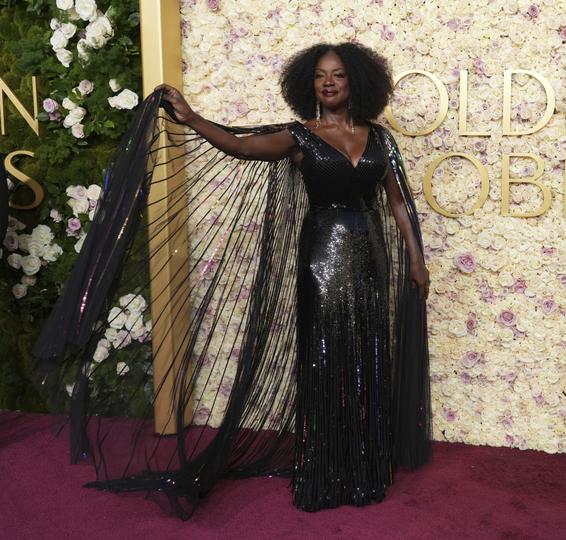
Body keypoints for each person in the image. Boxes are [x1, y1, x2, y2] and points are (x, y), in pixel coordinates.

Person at [32, 42, 432, 517]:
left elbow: (399, 204)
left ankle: (363, 465)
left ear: (357, 82)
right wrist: (193, 118)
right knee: (326, 358)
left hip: (370, 257)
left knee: (366, 354)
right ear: (309, 84)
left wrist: (415, 259)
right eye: (321, 76)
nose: (328, 83)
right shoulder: (298, 136)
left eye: (339, 75)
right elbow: (240, 146)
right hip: (321, 257)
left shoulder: (381, 139)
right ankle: (324, 469)